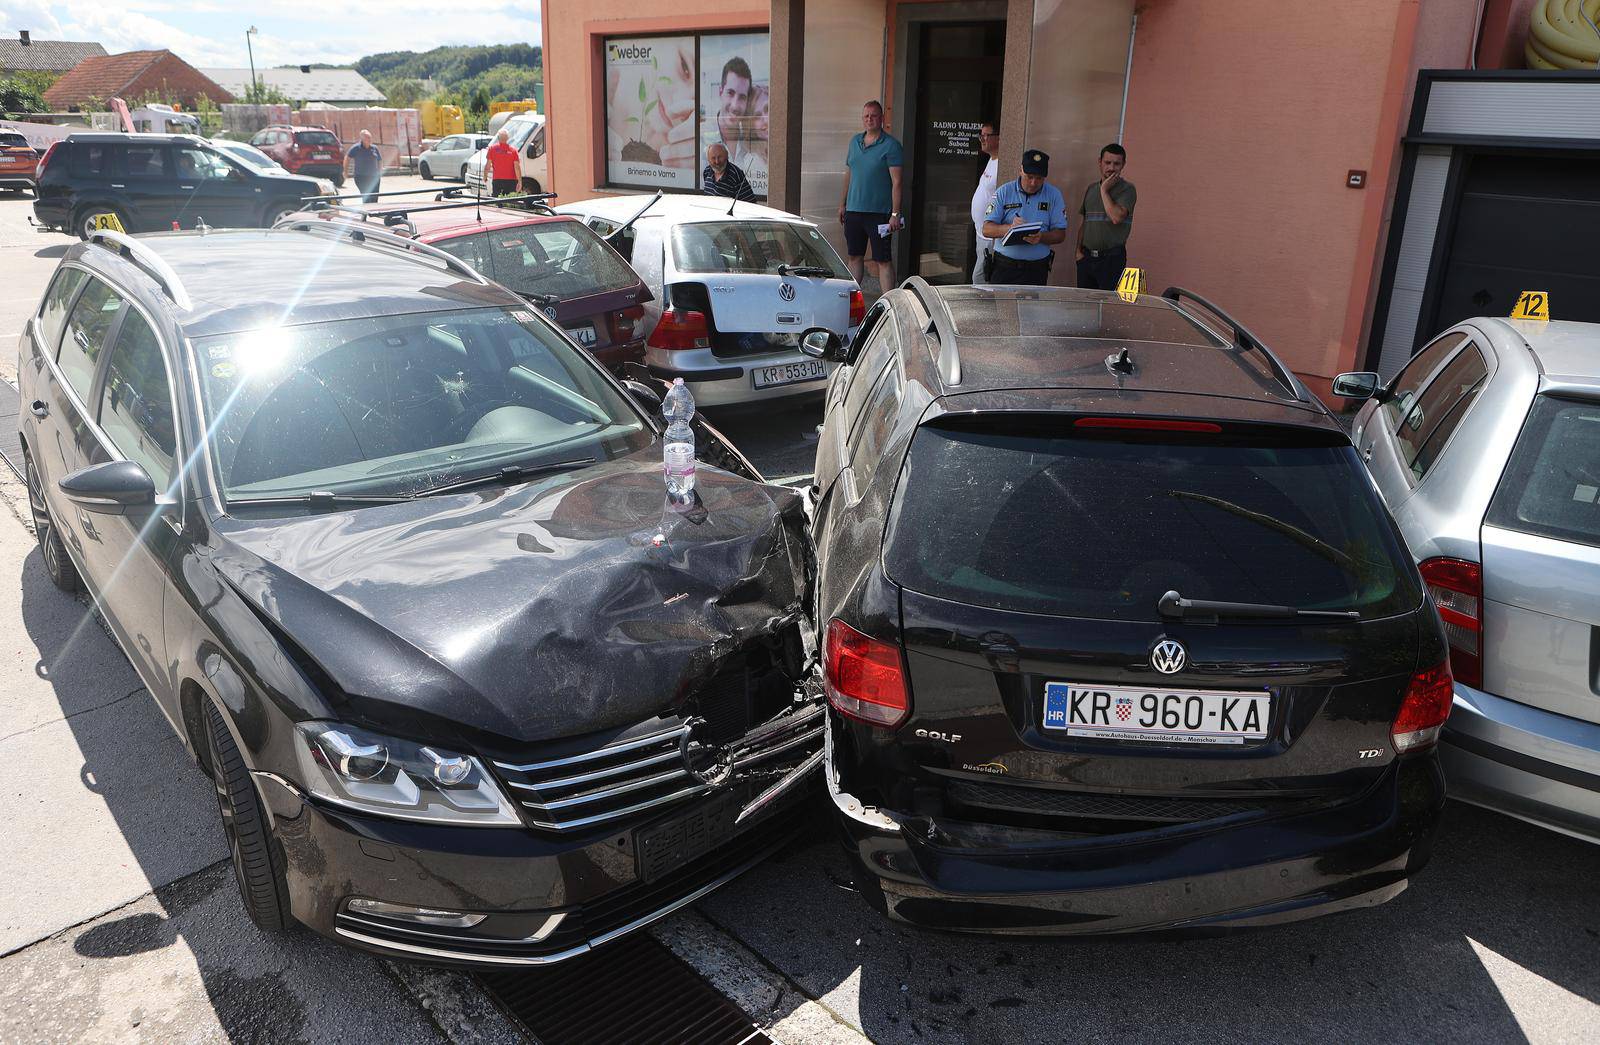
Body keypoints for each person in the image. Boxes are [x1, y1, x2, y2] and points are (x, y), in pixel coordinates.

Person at [838, 100, 904, 293]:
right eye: (866, 116)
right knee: (854, 257)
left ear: (882, 118)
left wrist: (895, 214)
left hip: (879, 214)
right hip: (853, 211)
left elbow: (897, 182)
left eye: (874, 116)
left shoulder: (891, 146)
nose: (870, 119)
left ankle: (889, 305)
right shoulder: (854, 142)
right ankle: (852, 302)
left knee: (883, 261)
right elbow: (849, 174)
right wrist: (842, 204)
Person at [980, 149, 1068, 286]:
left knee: (1033, 308)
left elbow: (1060, 234)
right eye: (1029, 176)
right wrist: (1009, 228)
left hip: (1037, 269)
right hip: (1005, 267)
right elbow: (986, 229)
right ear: (1021, 170)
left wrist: (1041, 237)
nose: (1033, 183)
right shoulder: (1004, 192)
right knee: (1003, 307)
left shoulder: (1054, 195)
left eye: (1039, 178)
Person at [1076, 143, 1137, 290]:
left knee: (1108, 307)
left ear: (1123, 165)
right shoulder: (1091, 189)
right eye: (1107, 162)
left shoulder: (1128, 189)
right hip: (1087, 258)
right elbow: (1085, 223)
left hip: (1112, 260)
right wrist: (1078, 252)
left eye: (1117, 164)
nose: (1111, 167)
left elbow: (1116, 217)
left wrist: (1104, 190)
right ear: (1100, 162)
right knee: (1086, 304)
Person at [969, 122, 999, 282]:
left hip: (990, 236)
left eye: (986, 135)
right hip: (981, 233)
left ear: (999, 138)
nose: (982, 139)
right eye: (981, 135)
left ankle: (983, 307)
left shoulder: (1002, 163)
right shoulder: (991, 159)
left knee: (980, 279)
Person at [715, 56, 754, 155]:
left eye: (742, 97)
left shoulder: (752, 144)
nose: (735, 105)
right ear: (720, 92)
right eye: (730, 93)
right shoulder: (700, 137)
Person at [346, 129, 383, 203]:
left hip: (374, 178)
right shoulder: (355, 148)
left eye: (370, 137)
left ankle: (374, 213)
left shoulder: (374, 148)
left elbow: (380, 160)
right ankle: (365, 213)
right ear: (362, 139)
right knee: (366, 197)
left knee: (374, 197)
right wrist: (345, 171)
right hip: (361, 177)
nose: (370, 139)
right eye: (367, 138)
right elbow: (347, 158)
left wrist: (379, 171)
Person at [486, 128, 520, 197]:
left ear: (498, 138)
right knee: (510, 201)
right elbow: (517, 167)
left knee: (497, 201)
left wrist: (485, 176)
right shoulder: (513, 151)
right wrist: (520, 181)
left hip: (497, 180)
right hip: (511, 181)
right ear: (508, 138)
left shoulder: (492, 149)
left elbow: (488, 165)